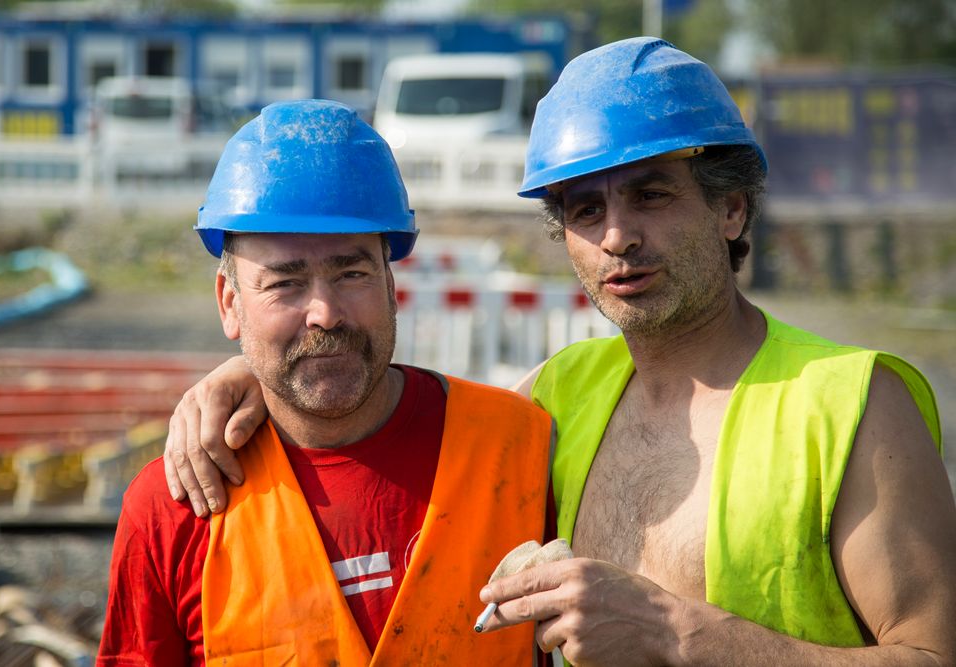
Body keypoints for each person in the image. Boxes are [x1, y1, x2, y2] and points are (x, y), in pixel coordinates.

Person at [164, 39, 956, 665]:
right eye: (586, 208)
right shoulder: (555, 398)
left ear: (731, 208)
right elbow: (388, 403)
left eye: (651, 193)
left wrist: (678, 636)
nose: (617, 234)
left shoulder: (852, 406)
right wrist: (255, 374)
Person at [97, 100, 554, 666]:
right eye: (285, 283)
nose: (325, 313)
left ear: (390, 286)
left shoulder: (520, 448)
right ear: (230, 303)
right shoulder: (173, 509)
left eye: (352, 273)